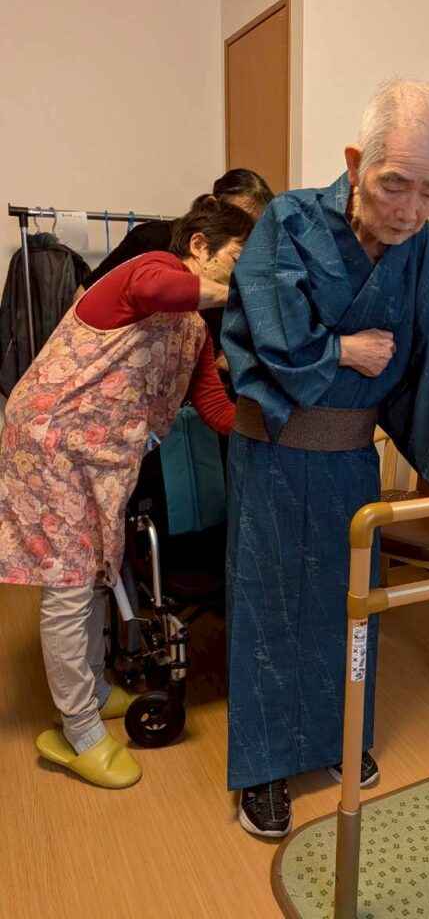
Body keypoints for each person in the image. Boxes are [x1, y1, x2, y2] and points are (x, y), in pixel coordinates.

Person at [221, 79, 429, 837]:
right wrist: (342, 351)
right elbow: (271, 336)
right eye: (395, 184)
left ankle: (342, 734)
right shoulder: (289, 222)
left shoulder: (427, 255)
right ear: (356, 163)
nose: (411, 210)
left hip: (352, 462)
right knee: (272, 607)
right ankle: (263, 770)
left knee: (350, 605)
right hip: (274, 455)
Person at [0, 198, 254, 789]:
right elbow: (163, 290)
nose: (242, 277)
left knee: (96, 573)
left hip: (102, 459)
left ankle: (89, 691)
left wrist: (271, 427)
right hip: (53, 443)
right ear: (199, 246)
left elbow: (213, 406)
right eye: (238, 261)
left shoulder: (192, 330)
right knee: (69, 584)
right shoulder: (147, 270)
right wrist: (249, 294)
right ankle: (78, 731)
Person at [75, 168, 274, 297]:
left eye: (256, 228)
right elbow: (83, 296)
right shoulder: (153, 239)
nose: (247, 234)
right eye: (238, 219)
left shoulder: (243, 259)